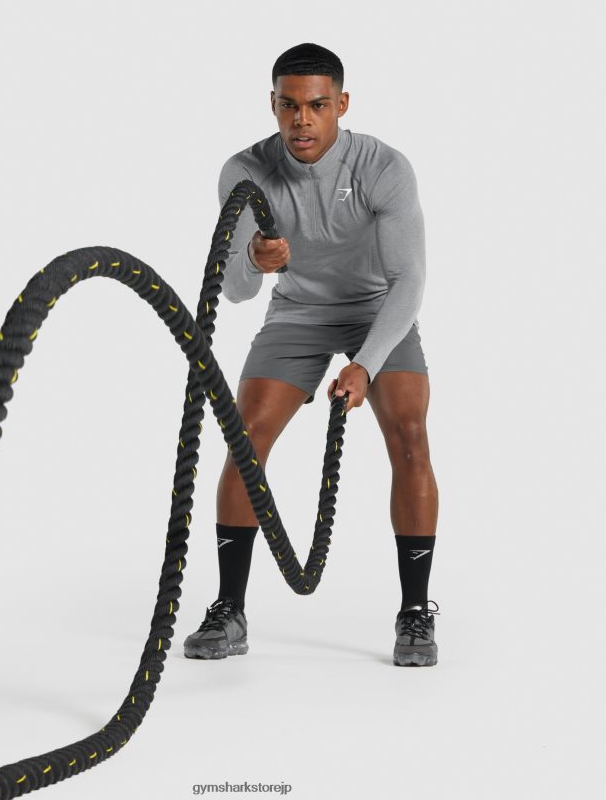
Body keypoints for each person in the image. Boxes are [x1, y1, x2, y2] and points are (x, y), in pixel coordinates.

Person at [183, 43, 440, 667]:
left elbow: (409, 281)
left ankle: (415, 613)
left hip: (377, 309)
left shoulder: (383, 167)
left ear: (341, 105)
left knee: (410, 433)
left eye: (318, 105)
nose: (302, 120)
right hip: (297, 311)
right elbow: (236, 292)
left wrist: (365, 365)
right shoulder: (245, 171)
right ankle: (229, 609)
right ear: (272, 104)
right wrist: (253, 260)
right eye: (289, 105)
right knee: (245, 437)